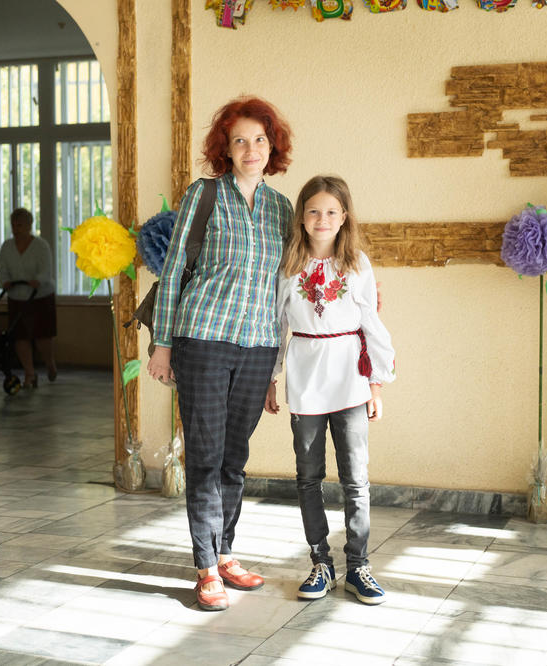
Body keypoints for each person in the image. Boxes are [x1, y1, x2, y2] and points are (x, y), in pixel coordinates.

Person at [145, 96, 294, 612]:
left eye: (259, 139)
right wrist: (162, 345)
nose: (251, 149)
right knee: (206, 457)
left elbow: (288, 285)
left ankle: (225, 551)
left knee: (235, 456)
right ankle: (205, 566)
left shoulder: (281, 207)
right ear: (225, 149)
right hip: (203, 340)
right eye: (239, 140)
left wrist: (280, 368)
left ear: (271, 145)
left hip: (258, 346)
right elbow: (171, 274)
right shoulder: (204, 195)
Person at [264, 175, 396, 605]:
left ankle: (359, 566)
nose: (322, 219)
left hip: (350, 378)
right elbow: (277, 325)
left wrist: (376, 383)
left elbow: (371, 326)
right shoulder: (288, 265)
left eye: (332, 212)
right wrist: (272, 376)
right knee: (308, 476)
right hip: (306, 376)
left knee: (356, 479)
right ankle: (320, 562)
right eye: (314, 211)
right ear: (302, 217)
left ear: (344, 218)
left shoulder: (356, 263)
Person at [0, 207, 57, 388]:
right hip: (16, 295)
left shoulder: (41, 246)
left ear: (29, 225)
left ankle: (49, 363)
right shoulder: (7, 247)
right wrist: (5, 281)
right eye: (14, 225)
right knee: (20, 337)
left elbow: (46, 270)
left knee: (42, 336)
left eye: (20, 225)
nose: (16, 228)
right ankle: (30, 374)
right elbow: (1, 269)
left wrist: (37, 280)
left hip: (39, 296)